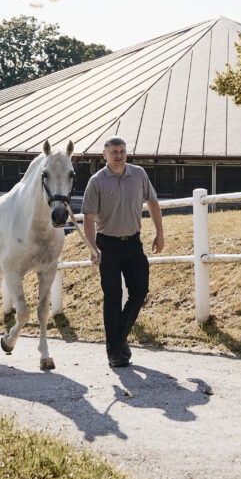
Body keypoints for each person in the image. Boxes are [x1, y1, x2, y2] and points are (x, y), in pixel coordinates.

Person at [80, 137, 164, 368]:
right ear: (104, 155)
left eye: (122, 151)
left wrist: (160, 233)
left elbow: (153, 203)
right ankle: (114, 352)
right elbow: (87, 219)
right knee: (113, 297)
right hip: (108, 246)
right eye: (114, 152)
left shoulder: (138, 174)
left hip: (134, 243)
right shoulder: (96, 181)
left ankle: (118, 340)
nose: (119, 155)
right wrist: (93, 248)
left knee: (140, 291)